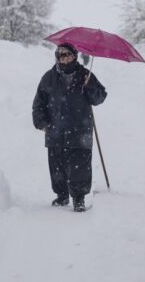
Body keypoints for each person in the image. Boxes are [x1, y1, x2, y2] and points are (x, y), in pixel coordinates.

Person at [32, 43, 107, 212]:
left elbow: (100, 98)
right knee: (57, 166)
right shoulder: (48, 78)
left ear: (75, 56)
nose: (64, 57)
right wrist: (42, 123)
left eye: (68, 54)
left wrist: (91, 86)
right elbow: (38, 103)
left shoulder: (86, 75)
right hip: (55, 131)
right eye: (60, 55)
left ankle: (78, 198)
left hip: (80, 131)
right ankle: (62, 195)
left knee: (79, 166)